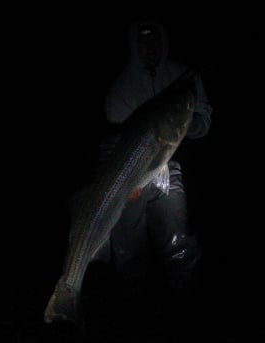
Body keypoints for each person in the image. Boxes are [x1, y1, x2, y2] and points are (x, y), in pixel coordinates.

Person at [93, 16, 213, 330]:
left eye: (155, 39)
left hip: (167, 163)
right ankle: (133, 306)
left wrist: (196, 124)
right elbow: (115, 139)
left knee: (177, 236)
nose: (150, 47)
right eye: (143, 41)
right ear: (134, 44)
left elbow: (201, 114)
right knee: (127, 244)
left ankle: (184, 304)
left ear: (164, 40)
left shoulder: (181, 75)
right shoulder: (120, 89)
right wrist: (127, 183)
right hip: (127, 173)